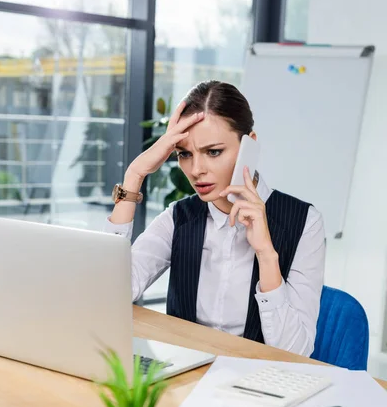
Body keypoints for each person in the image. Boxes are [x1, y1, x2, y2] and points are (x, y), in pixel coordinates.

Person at [104, 80, 325, 357]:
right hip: (185, 374)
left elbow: (296, 351)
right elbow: (107, 294)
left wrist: (266, 254)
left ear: (249, 146)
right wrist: (134, 175)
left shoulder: (305, 222)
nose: (196, 170)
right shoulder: (179, 217)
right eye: (185, 154)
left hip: (257, 380)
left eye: (213, 152)